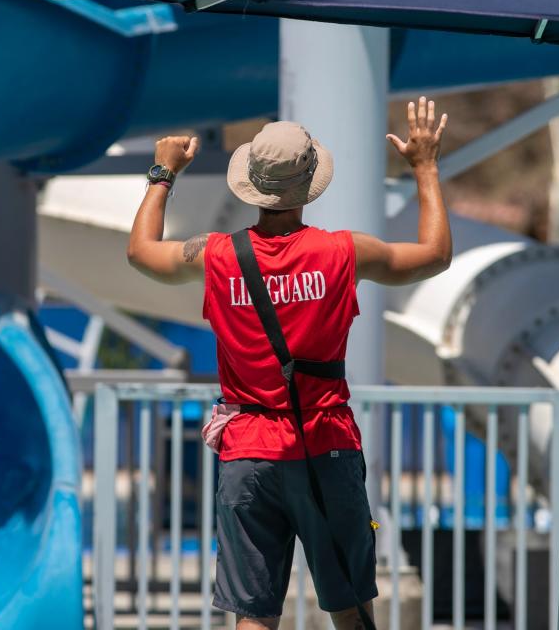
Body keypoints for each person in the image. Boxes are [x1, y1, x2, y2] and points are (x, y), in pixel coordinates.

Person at [127, 98, 451, 630]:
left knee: (252, 616)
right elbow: (434, 254)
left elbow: (141, 252)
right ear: (308, 186)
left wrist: (163, 173)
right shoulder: (344, 253)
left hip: (247, 454)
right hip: (324, 446)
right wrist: (425, 167)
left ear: (250, 183)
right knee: (349, 610)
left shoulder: (215, 255)